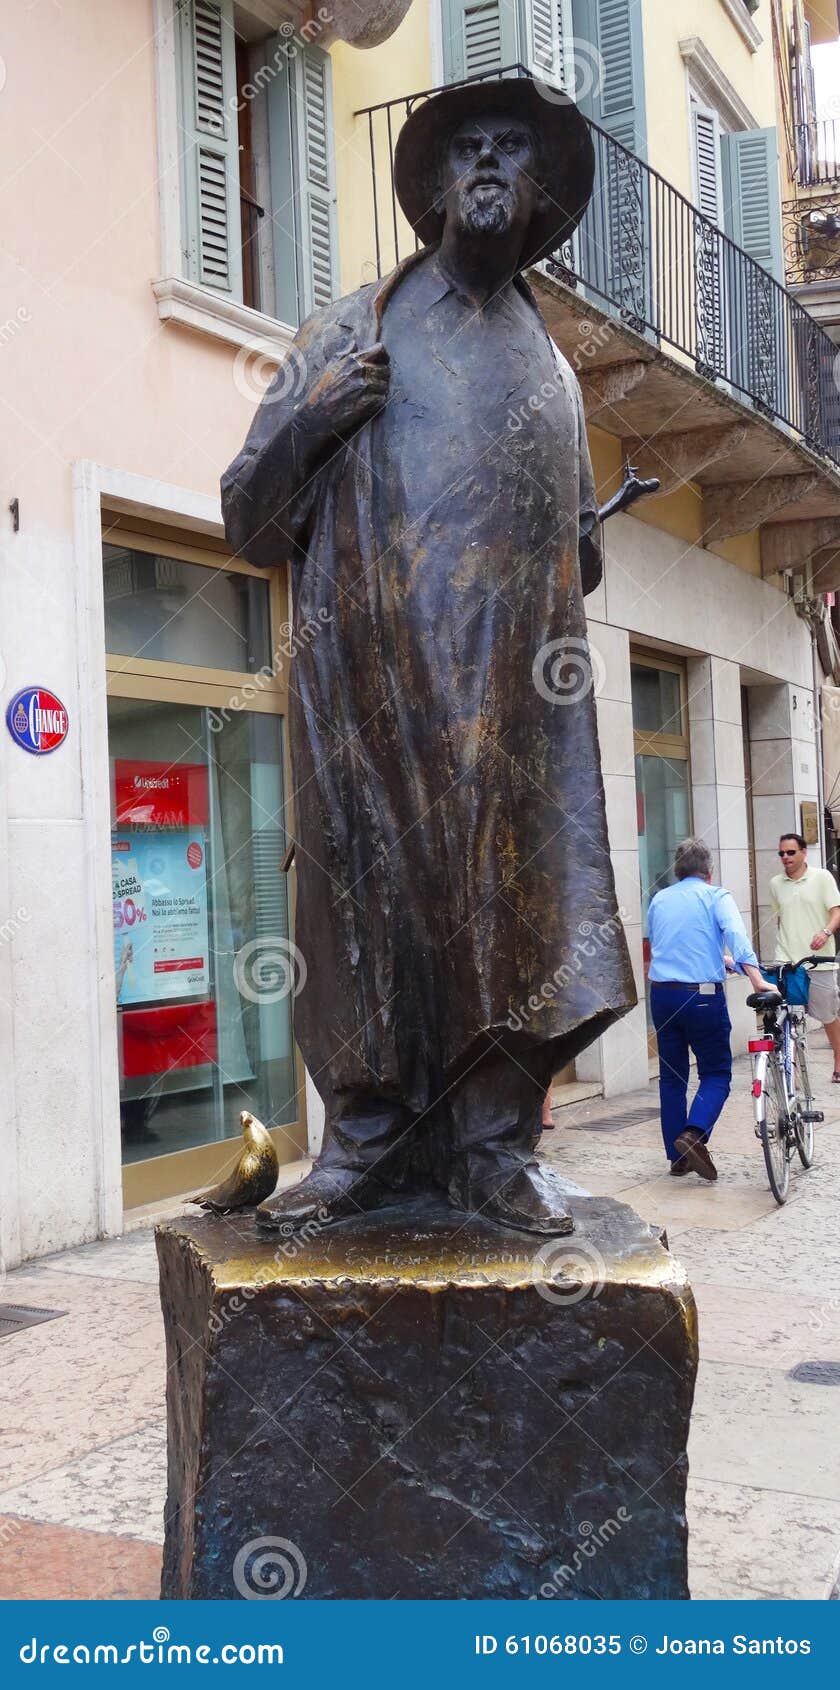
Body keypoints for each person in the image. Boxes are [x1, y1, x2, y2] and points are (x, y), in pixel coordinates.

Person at [222, 78, 636, 1237]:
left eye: (513, 149)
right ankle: (363, 1143)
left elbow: (562, 560)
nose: (492, 165)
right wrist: (314, 422)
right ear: (436, 185)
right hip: (372, 702)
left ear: (543, 190)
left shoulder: (552, 373)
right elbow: (245, 520)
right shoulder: (352, 331)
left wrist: (580, 545)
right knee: (368, 907)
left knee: (523, 916)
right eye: (470, 149)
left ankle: (494, 1150)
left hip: (513, 709)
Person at [648, 837, 775, 1180]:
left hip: (661, 995)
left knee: (672, 1077)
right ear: (709, 871)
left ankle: (678, 1157)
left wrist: (724, 962)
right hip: (702, 996)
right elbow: (737, 934)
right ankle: (694, 1132)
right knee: (716, 1073)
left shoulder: (659, 899)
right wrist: (757, 979)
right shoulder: (716, 895)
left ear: (677, 870)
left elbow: (673, 945)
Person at [770, 832, 840, 1079]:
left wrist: (825, 932)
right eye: (781, 853)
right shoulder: (775, 883)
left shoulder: (822, 877)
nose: (785, 857)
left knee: (827, 1014)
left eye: (790, 852)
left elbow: (836, 912)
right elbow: (781, 919)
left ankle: (838, 1059)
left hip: (819, 960)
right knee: (787, 1015)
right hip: (787, 959)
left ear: (803, 852)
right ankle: (793, 1075)